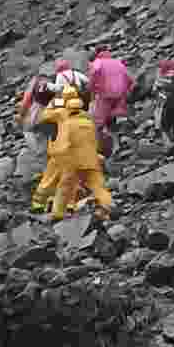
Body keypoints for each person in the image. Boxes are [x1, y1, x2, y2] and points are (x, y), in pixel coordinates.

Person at [51, 97, 112, 221]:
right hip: (91, 159)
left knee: (65, 186)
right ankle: (109, 208)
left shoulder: (66, 125)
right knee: (98, 187)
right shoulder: (89, 123)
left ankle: (59, 213)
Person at [30, 85, 78, 213]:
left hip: (59, 150)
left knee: (49, 178)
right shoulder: (82, 113)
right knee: (70, 179)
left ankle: (38, 203)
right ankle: (69, 205)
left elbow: (44, 116)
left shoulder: (59, 112)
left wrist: (54, 103)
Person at [88, 50, 132, 152]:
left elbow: (94, 75)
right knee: (113, 119)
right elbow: (129, 79)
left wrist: (92, 89)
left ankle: (99, 149)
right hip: (120, 95)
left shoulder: (98, 62)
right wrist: (127, 91)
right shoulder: (118, 63)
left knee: (98, 123)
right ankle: (119, 143)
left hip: (106, 94)